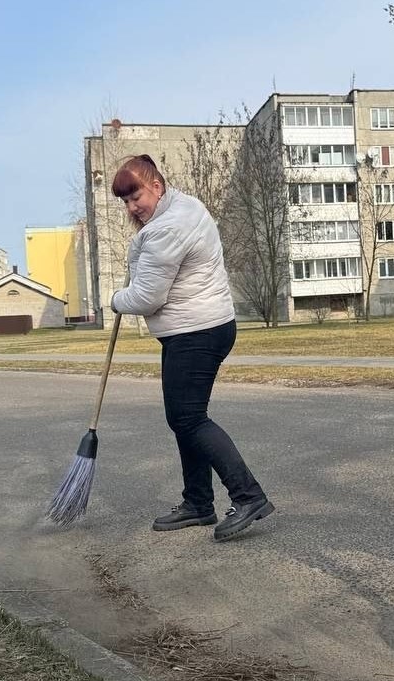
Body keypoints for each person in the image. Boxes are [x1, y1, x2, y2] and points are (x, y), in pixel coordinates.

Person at [110, 154, 275, 542]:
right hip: (199, 327)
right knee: (185, 417)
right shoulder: (184, 207)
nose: (132, 207)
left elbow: (147, 297)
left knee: (188, 418)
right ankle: (198, 502)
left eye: (136, 197)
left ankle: (248, 496)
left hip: (196, 332)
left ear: (156, 186)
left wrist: (116, 299)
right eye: (126, 201)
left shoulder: (167, 227)